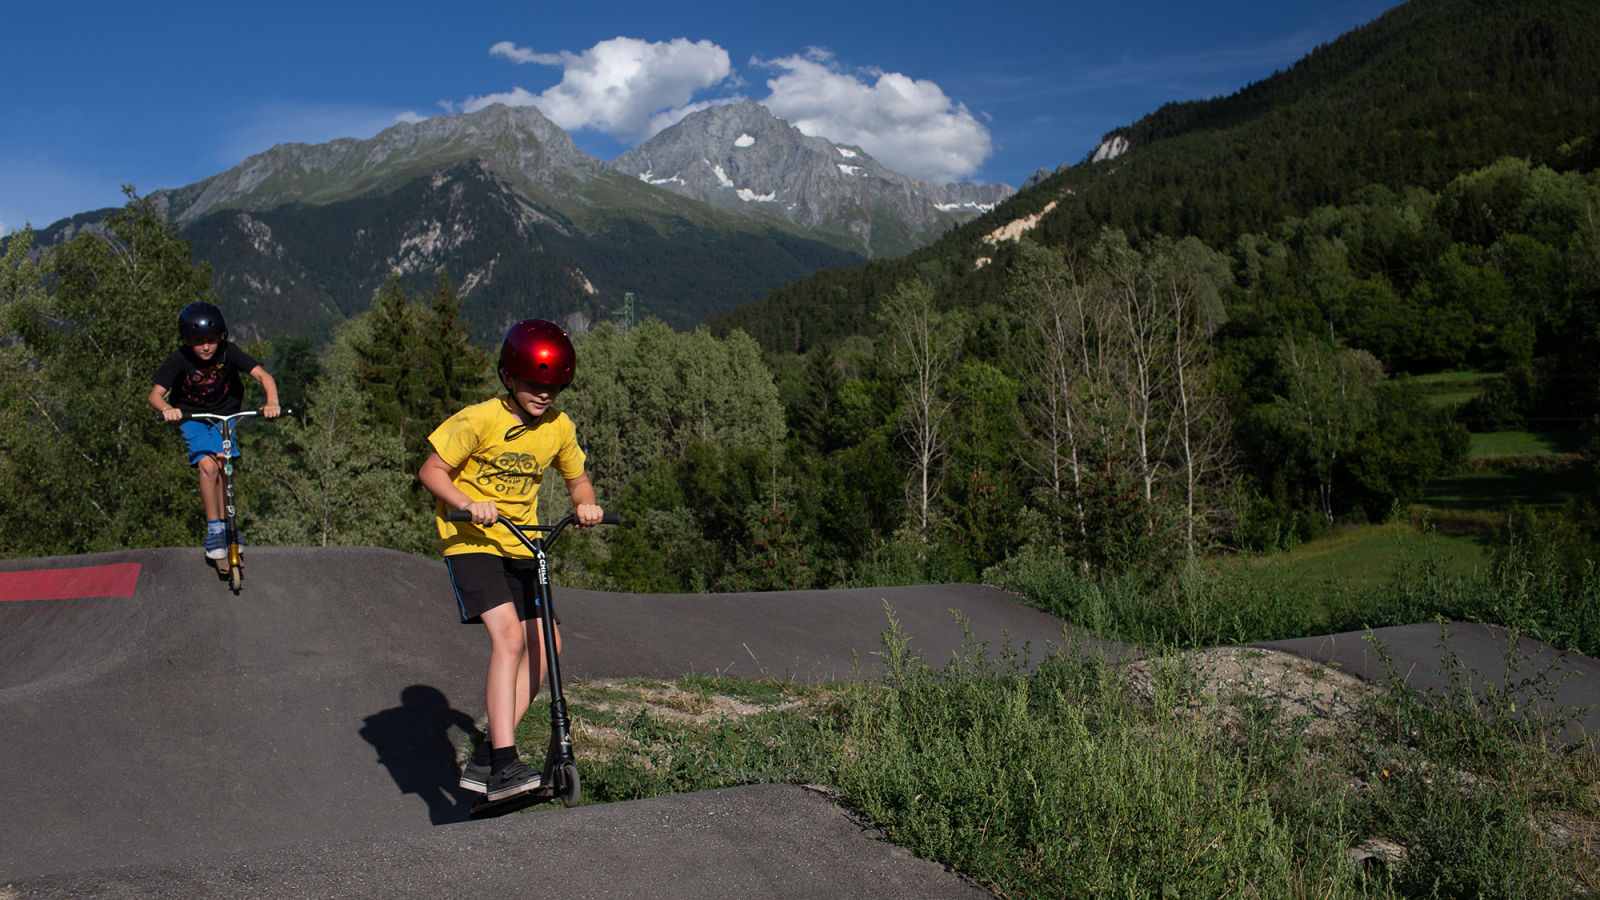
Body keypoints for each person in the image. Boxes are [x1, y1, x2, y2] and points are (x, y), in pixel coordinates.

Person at [418, 318, 603, 802]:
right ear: (509, 377)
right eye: (534, 384)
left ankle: (485, 757)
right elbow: (431, 471)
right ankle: (504, 762)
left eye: (554, 386)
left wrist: (585, 503)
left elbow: (577, 479)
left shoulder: (560, 428)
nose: (544, 394)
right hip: (472, 538)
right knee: (509, 636)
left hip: (523, 543)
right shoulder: (479, 419)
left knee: (550, 644)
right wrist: (466, 500)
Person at [148, 302, 280, 570]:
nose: (207, 347)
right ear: (186, 341)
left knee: (224, 465)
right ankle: (214, 531)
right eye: (199, 342)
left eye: (211, 340)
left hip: (225, 418)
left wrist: (272, 401)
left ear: (222, 336)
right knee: (208, 466)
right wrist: (168, 409)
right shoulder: (179, 360)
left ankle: (228, 526)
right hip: (193, 419)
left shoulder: (229, 353)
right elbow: (154, 395)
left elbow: (263, 376)